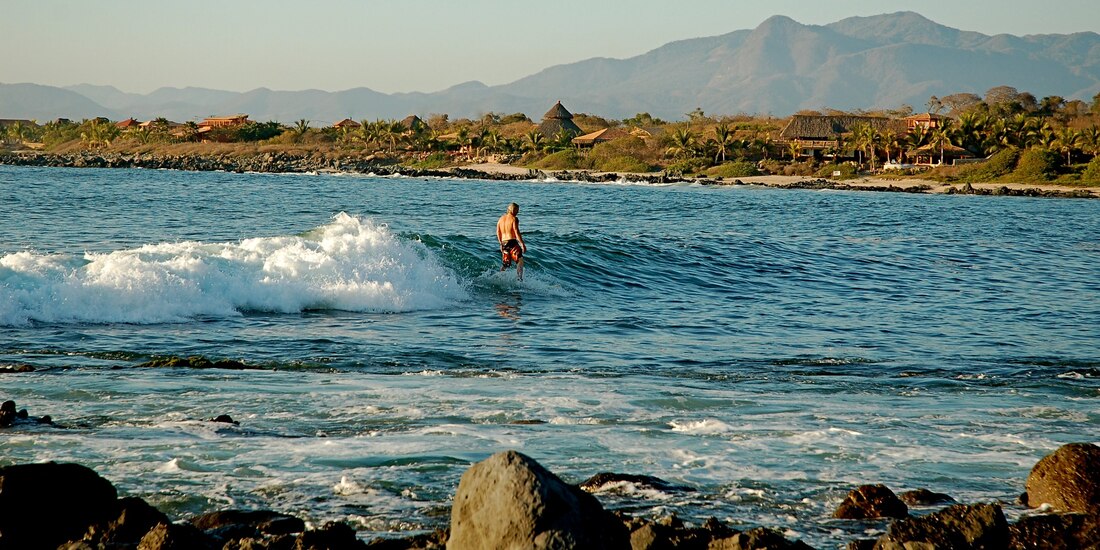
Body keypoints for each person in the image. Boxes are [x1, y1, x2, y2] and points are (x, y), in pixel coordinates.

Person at [496, 202, 526, 281]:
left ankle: (499, 278)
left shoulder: (500, 219)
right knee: (520, 260)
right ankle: (519, 279)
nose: (518, 212)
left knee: (506, 264)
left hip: (504, 243)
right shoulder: (514, 219)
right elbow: (516, 232)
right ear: (513, 210)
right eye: (517, 210)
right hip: (512, 242)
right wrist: (522, 244)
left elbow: (498, 232)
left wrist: (500, 243)